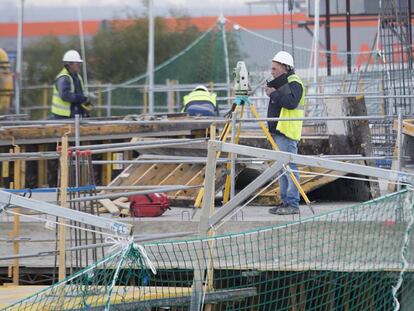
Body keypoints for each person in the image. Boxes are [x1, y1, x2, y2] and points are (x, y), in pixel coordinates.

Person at [266, 51, 305, 215]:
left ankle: (293, 204)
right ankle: (285, 202)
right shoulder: (284, 83)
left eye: (275, 69)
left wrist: (273, 94)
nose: (272, 72)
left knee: (290, 168)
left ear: (284, 67)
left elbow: (290, 102)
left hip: (287, 131)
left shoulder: (294, 83)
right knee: (282, 169)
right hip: (279, 131)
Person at [50, 50, 91, 119]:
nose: (79, 65)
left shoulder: (77, 77)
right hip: (62, 117)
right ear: (69, 64)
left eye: (79, 63)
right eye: (77, 63)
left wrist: (87, 106)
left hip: (74, 116)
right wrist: (81, 98)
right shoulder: (63, 78)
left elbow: (80, 94)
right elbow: (65, 96)